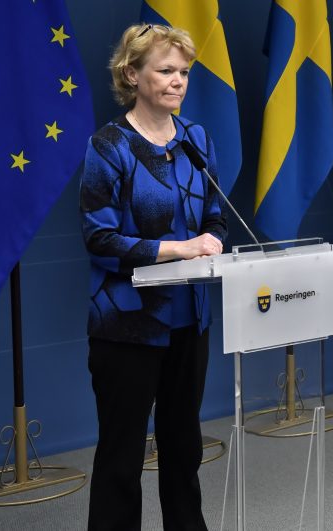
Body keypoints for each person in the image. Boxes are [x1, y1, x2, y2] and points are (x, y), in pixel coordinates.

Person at [79, 24, 226, 530]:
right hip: (127, 324)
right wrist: (180, 249)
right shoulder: (109, 146)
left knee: (184, 450)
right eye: (165, 71)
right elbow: (99, 240)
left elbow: (215, 216)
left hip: (191, 320)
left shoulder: (196, 139)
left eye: (184, 72)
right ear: (131, 74)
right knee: (122, 458)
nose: (178, 81)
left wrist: (213, 239)